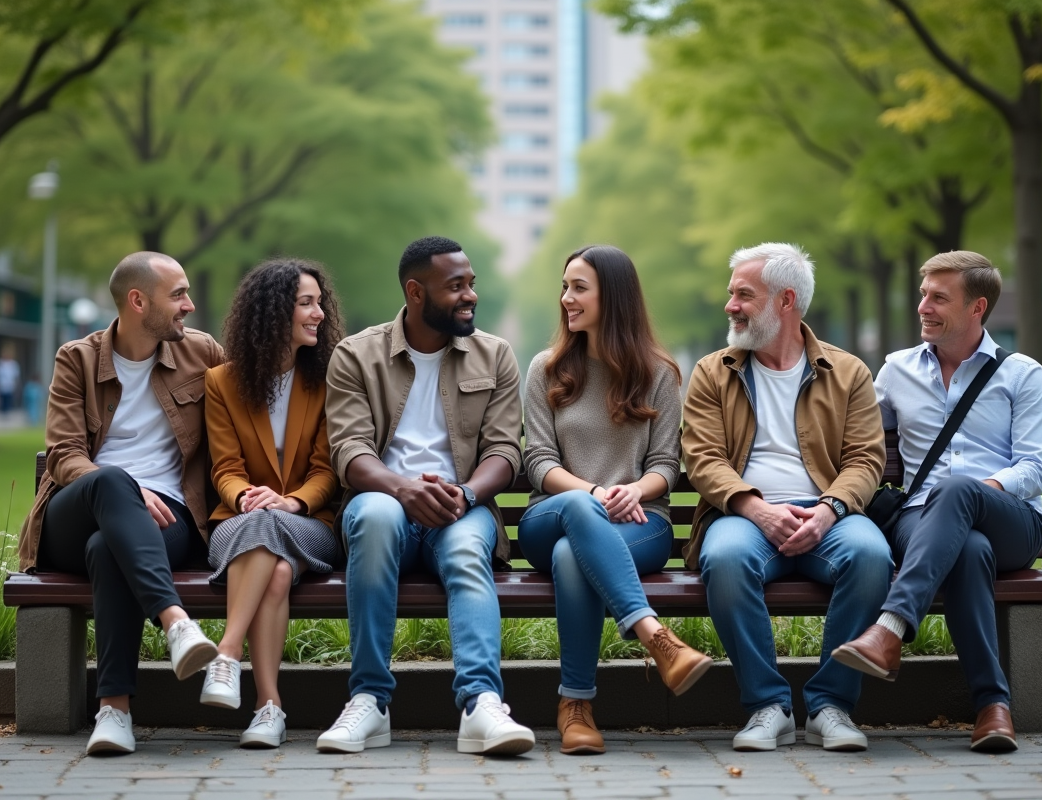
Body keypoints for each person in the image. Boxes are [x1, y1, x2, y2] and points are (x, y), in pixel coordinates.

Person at [321, 236, 534, 756]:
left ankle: (481, 704)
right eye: (455, 286)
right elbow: (348, 450)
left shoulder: (495, 354)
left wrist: (463, 495)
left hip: (463, 508)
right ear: (415, 292)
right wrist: (402, 489)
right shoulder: (356, 355)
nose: (470, 296)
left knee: (465, 550)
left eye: (471, 284)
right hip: (383, 504)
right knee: (372, 517)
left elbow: (505, 452)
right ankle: (369, 701)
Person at [833, 250, 1042, 753]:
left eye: (938, 297)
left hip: (1012, 522)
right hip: (921, 522)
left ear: (978, 308)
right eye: (922, 294)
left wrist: (976, 493)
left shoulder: (1021, 373)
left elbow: (1035, 469)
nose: (923, 307)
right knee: (968, 551)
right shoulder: (895, 371)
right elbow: (859, 441)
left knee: (957, 493)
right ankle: (993, 708)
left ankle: (890, 629)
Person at [683, 242, 891, 753]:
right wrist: (757, 508)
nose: (730, 304)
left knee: (870, 554)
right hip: (742, 517)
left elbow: (866, 460)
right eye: (731, 293)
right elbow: (703, 459)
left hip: (829, 515)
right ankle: (766, 706)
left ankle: (830, 706)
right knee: (726, 557)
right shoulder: (714, 371)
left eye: (743, 294)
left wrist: (828, 511)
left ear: (785, 300)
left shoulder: (848, 372)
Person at [17, 251, 225, 755]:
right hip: (80, 504)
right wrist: (127, 487)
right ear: (138, 301)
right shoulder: (79, 358)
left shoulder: (204, 354)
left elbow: (248, 419)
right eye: (178, 295)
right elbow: (65, 454)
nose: (190, 306)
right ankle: (176, 622)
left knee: (108, 548)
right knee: (113, 482)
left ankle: (114, 711)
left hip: (169, 518)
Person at [520, 245, 710, 755]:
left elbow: (667, 467)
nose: (566, 299)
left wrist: (635, 490)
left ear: (615, 296)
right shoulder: (547, 369)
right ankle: (655, 638)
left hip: (639, 523)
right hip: (553, 515)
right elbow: (537, 461)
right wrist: (597, 494)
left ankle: (575, 705)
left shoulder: (659, 373)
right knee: (575, 522)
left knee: (571, 557)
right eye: (564, 288)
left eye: (579, 288)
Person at [199, 259, 346, 748]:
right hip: (238, 521)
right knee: (278, 571)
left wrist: (291, 502)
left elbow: (328, 470)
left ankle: (226, 652)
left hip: (309, 523)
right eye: (306, 303)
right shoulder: (222, 382)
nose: (319, 313)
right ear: (273, 312)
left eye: (319, 302)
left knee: (271, 529)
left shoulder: (328, 380)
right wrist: (246, 497)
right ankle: (269, 707)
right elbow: (225, 467)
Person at [0, 344, 21, 415]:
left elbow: (16, 376)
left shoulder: (14, 364)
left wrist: (16, 386)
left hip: (10, 386)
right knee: (2, 402)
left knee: (9, 402)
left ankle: (7, 414)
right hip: (2, 386)